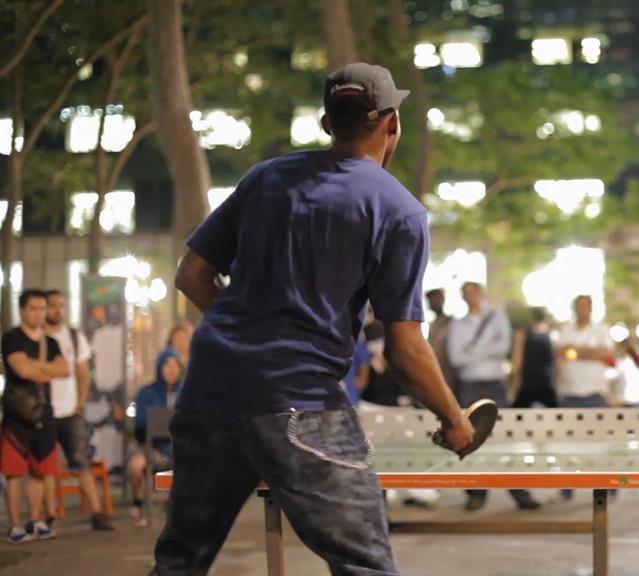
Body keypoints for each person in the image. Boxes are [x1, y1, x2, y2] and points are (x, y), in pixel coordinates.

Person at [155, 63, 474, 574]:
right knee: (364, 564)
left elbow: (193, 274)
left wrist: (242, 339)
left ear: (327, 125)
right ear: (393, 123)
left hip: (209, 389)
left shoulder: (267, 177)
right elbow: (405, 351)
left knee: (181, 560)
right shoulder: (399, 211)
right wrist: (455, 421)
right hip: (298, 401)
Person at [448, 282, 540, 511]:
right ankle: (475, 492)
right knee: (471, 439)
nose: (471, 297)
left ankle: (518, 491)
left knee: (506, 438)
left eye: (474, 292)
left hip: (495, 385)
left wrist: (473, 351)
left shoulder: (497, 318)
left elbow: (503, 348)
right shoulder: (458, 325)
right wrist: (486, 349)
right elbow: (456, 358)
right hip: (470, 385)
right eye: (466, 293)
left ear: (481, 293)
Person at [43, 289, 115, 531]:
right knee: (47, 466)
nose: (57, 310)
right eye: (52, 305)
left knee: (81, 462)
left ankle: (97, 512)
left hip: (70, 411)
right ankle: (49, 515)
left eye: (61, 305)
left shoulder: (73, 337)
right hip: (43, 411)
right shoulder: (38, 338)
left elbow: (83, 373)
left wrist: (80, 403)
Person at [1, 289, 69, 543]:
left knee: (40, 470)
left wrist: (36, 367)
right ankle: (15, 525)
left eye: (43, 308)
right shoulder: (11, 338)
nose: (39, 313)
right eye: (34, 308)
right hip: (17, 416)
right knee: (14, 472)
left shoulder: (50, 342)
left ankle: (36, 520)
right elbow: (21, 368)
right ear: (22, 310)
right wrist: (44, 369)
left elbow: (64, 369)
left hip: (44, 414)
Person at [127, 349, 183, 527]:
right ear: (160, 367)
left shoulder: (188, 392)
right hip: (152, 446)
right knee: (136, 465)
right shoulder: (146, 393)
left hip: (181, 447)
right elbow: (140, 425)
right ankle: (139, 502)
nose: (172, 370)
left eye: (175, 366)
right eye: (167, 365)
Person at [554, 295, 614, 408]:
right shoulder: (565, 329)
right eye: (579, 306)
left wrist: (573, 352)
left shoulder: (601, 330)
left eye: (584, 306)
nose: (581, 309)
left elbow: (606, 354)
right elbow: (559, 353)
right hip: (569, 392)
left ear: (590, 308)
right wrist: (591, 353)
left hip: (595, 392)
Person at [512, 307, 557, 408]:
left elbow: (517, 361)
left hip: (528, 382)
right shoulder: (551, 335)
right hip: (546, 382)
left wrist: (514, 385)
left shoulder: (522, 334)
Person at [426, 288, 457, 391]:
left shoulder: (451, 322)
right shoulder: (432, 324)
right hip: (434, 373)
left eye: (436, 299)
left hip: (449, 374)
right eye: (431, 300)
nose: (433, 303)